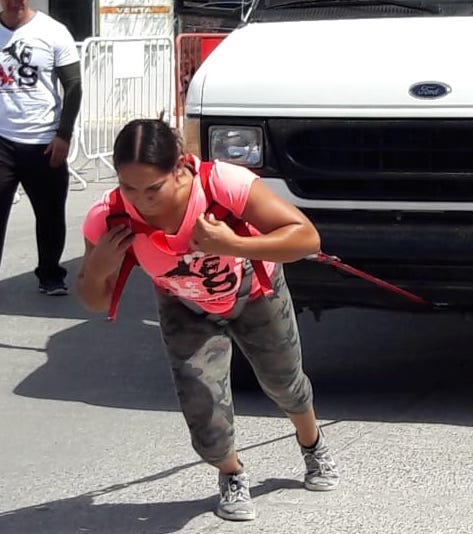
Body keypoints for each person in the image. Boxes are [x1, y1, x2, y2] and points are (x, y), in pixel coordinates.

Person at [76, 119, 339, 521]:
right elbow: (94, 301)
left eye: (153, 189)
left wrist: (231, 244)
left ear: (180, 166)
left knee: (284, 382)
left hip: (254, 292)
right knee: (201, 402)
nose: (141, 201)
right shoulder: (109, 217)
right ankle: (231, 473)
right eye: (129, 187)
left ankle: (312, 443)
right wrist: (98, 267)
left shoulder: (222, 184)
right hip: (184, 305)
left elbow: (306, 238)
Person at [0, 0, 82, 295]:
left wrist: (64, 134)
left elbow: (73, 86)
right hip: (2, 142)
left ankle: (50, 275)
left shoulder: (53, 31)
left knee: (49, 215)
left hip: (44, 141)